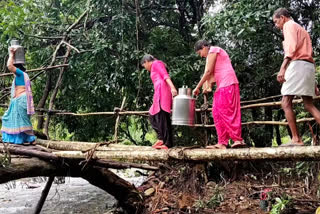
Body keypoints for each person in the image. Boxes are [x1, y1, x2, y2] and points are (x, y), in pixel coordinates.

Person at [273, 8, 320, 146]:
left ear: (282, 18)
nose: (277, 25)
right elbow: (308, 54)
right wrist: (314, 83)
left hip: (297, 64)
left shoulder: (289, 26)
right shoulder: (301, 29)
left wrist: (282, 68)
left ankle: (296, 139)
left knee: (285, 102)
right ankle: (296, 138)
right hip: (307, 66)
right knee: (309, 104)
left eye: (276, 22)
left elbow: (291, 49)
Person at [192, 40, 245, 149]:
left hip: (228, 83)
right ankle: (222, 142)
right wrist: (208, 86)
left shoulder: (214, 50)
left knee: (228, 111)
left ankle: (237, 139)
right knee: (216, 112)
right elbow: (211, 75)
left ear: (204, 47)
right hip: (223, 85)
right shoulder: (213, 54)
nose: (201, 56)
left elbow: (208, 72)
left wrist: (197, 87)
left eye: (200, 53)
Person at [141, 54, 177, 150]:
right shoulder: (154, 67)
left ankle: (167, 143)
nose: (145, 68)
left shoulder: (157, 63)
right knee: (152, 114)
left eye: (144, 66)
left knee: (162, 116)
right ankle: (162, 138)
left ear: (147, 61)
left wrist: (173, 88)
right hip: (158, 93)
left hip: (163, 92)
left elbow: (165, 75)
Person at [1, 48, 36, 145]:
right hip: (19, 100)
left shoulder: (20, 74)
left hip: (21, 100)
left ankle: (31, 139)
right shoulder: (21, 76)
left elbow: (9, 65)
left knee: (22, 120)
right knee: (12, 119)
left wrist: (11, 55)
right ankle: (23, 139)